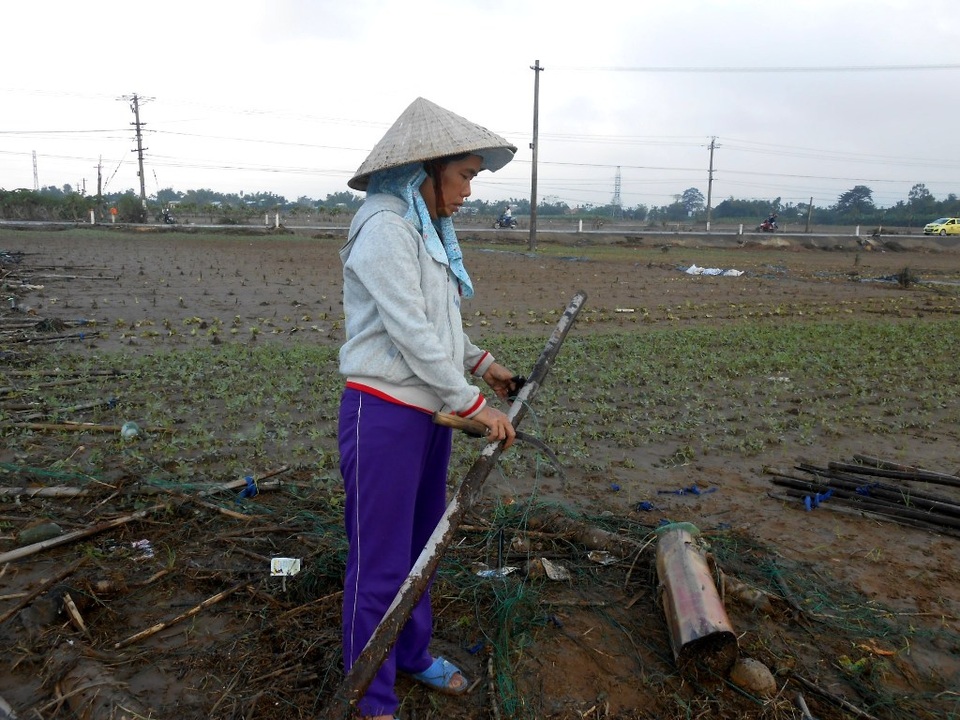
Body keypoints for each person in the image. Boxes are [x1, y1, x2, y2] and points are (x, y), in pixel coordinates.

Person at [337, 97, 520, 720]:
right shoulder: (385, 224)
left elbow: (439, 324)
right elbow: (409, 331)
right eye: (466, 174)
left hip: (424, 415)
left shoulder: (422, 225)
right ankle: (371, 698)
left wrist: (483, 365)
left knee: (423, 546)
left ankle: (411, 655)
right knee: (380, 560)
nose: (470, 189)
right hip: (383, 411)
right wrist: (473, 402)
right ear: (428, 167)